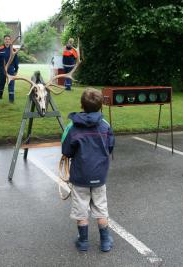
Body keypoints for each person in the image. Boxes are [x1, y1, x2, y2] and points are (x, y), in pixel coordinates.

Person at [61, 88, 115, 252]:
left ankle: (83, 242)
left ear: (81, 105)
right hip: (99, 176)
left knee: (81, 210)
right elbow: (110, 146)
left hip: (80, 177)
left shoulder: (72, 127)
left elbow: (67, 151)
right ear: (101, 106)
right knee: (101, 208)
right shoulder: (105, 126)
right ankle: (105, 241)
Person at [0, 35, 19, 102]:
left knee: (11, 83)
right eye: (6, 39)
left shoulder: (13, 50)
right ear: (4, 40)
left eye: (8, 39)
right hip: (2, 69)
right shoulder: (0, 49)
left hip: (11, 69)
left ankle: (11, 100)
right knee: (2, 82)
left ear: (10, 41)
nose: (7, 40)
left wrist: (16, 70)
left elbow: (16, 61)